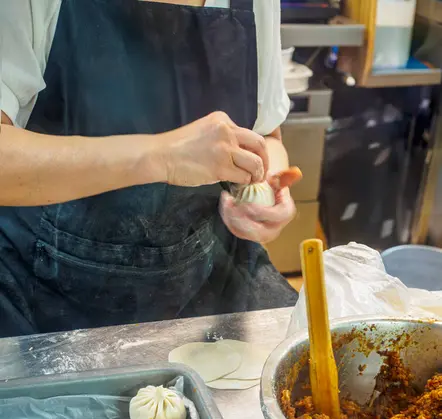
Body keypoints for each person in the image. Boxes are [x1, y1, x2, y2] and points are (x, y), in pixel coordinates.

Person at [0, 0, 301, 339]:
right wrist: (163, 156)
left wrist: (262, 185)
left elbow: (265, 134)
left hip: (208, 278)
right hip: (39, 288)